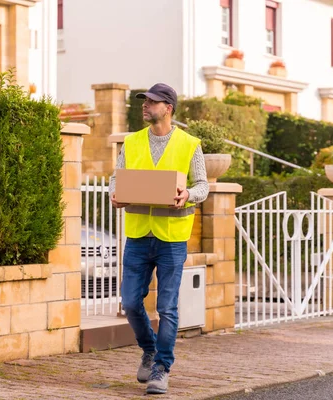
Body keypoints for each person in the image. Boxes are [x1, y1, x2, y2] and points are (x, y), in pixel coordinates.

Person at [109, 83, 209, 395]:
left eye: (151, 101)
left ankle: (162, 368)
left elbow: (203, 185)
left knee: (167, 307)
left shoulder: (190, 144)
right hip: (138, 235)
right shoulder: (133, 141)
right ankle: (150, 350)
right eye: (144, 101)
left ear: (168, 108)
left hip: (171, 238)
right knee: (130, 302)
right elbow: (118, 176)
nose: (145, 105)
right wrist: (114, 191)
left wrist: (188, 194)